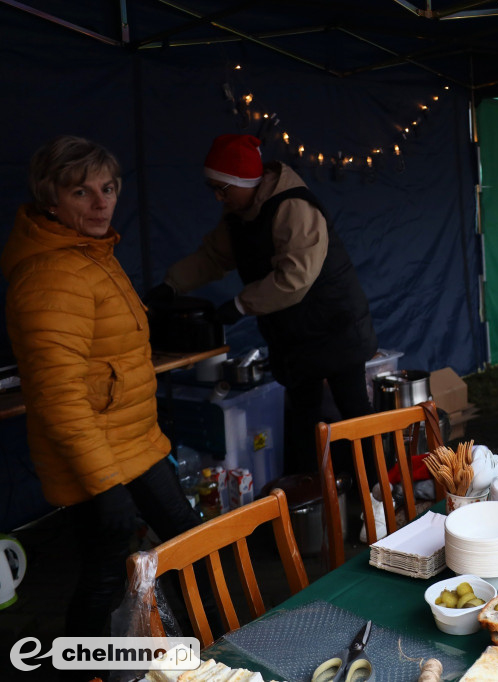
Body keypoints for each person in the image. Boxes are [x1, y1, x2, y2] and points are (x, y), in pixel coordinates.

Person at [0, 137, 202, 656]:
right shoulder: (50, 273)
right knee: (104, 577)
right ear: (51, 200)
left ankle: (215, 644)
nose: (100, 203)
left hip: (136, 444)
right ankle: (84, 667)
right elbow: (59, 397)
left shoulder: (91, 253)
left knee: (188, 541)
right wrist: (105, 487)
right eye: (81, 192)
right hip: (96, 462)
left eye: (108, 188)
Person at [150, 134, 378, 475]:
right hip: (295, 337)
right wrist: (171, 285)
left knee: (354, 414)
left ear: (245, 182)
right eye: (212, 187)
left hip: (336, 326)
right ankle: (313, 496)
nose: (217, 197)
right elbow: (213, 257)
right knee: (303, 418)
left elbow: (295, 278)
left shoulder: (293, 206)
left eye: (223, 188)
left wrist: (241, 305)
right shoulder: (239, 214)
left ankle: (378, 492)